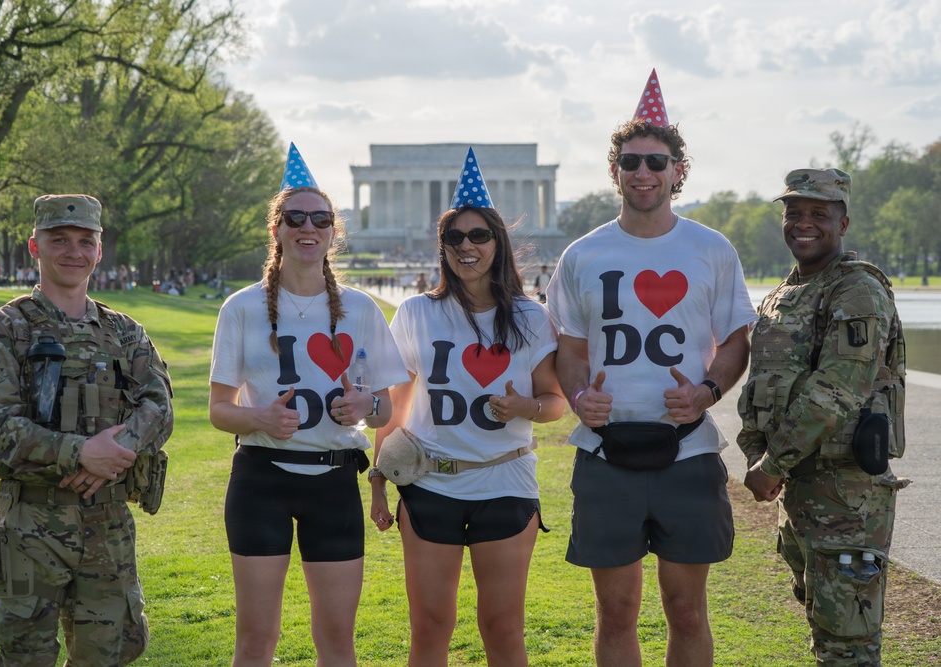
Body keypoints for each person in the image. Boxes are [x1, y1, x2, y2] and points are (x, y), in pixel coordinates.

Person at [545, 70, 757, 667]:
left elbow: (737, 339)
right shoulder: (582, 254)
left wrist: (708, 391)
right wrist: (580, 395)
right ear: (614, 169)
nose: (643, 173)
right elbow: (570, 349)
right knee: (616, 614)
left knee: (687, 611)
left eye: (656, 162)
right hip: (605, 451)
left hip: (686, 450)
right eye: (631, 161)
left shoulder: (711, 248)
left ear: (677, 172)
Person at [208, 142, 409, 667]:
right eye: (295, 217)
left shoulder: (362, 310)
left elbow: (386, 413)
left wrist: (365, 405)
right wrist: (261, 418)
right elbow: (219, 410)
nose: (308, 227)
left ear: (332, 232)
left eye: (320, 219)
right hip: (260, 481)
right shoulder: (242, 308)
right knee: (256, 640)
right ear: (276, 229)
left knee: (338, 640)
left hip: (334, 481)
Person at [370, 147, 566, 667]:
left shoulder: (530, 316)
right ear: (443, 247)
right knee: (429, 627)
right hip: (430, 481)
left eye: (479, 235)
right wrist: (376, 480)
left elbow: (555, 403)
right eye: (454, 237)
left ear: (499, 243)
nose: (466, 246)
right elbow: (396, 402)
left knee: (502, 628)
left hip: (504, 482)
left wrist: (524, 404)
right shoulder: (417, 312)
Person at [0, 194, 174, 665]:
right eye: (58, 240)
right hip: (31, 527)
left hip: (109, 525)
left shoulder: (124, 332)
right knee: (26, 656)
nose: (73, 251)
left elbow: (159, 406)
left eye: (85, 241)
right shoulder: (4, 330)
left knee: (110, 653)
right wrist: (80, 453)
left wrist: (112, 452)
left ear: (99, 250)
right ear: (35, 248)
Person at [737, 168, 909, 667]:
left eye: (819, 214)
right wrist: (760, 455)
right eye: (794, 213)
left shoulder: (856, 290)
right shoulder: (784, 292)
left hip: (846, 498)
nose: (803, 223)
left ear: (844, 222)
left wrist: (770, 463)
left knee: (848, 645)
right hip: (800, 489)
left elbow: (835, 392)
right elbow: (762, 390)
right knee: (823, 627)